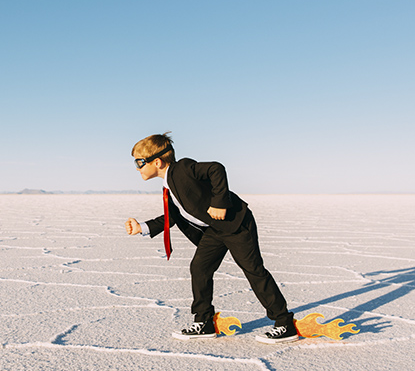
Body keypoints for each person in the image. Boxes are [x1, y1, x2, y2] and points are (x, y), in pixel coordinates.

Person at [125, 132, 297, 343]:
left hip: (236, 224)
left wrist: (220, 203)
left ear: (157, 161)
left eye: (139, 162)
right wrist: (142, 227)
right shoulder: (169, 185)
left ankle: (284, 323)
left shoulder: (183, 169)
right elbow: (172, 216)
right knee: (199, 268)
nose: (137, 168)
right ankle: (204, 322)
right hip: (215, 230)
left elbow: (216, 168)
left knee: (254, 270)